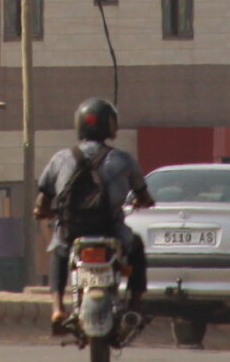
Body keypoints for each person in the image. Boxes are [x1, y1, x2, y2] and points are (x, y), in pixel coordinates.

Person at [34, 96, 154, 336]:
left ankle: (57, 309)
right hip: (110, 230)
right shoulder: (123, 159)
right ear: (110, 126)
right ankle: (135, 306)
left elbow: (42, 200)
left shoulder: (61, 158)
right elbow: (142, 193)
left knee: (58, 250)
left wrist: (43, 211)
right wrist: (143, 201)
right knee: (137, 246)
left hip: (72, 231)